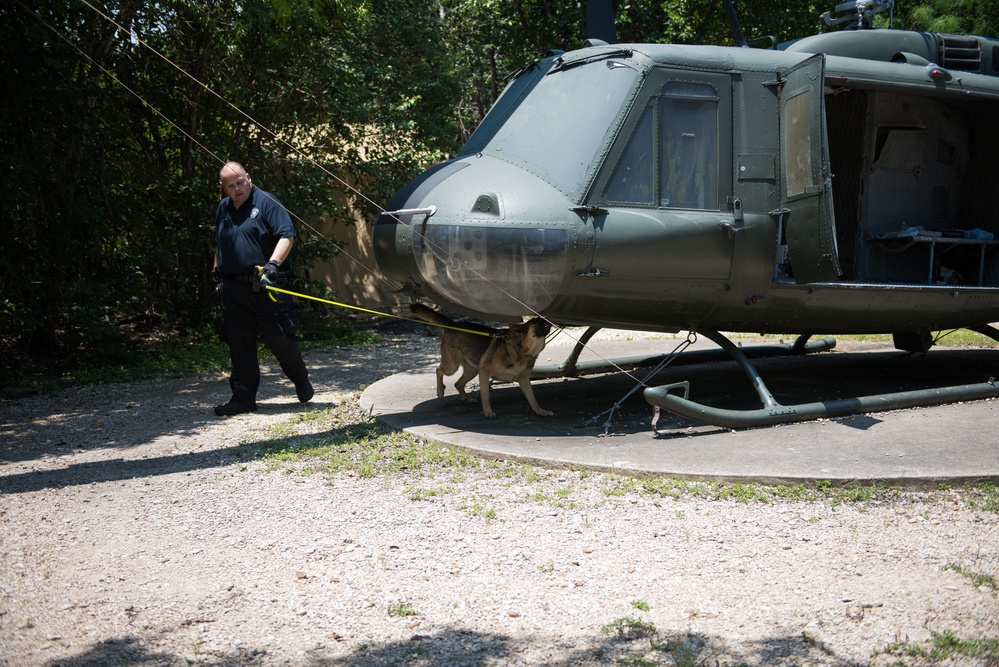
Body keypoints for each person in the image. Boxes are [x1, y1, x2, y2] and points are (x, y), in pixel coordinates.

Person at [211, 161, 313, 416]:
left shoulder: (267, 202)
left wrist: (273, 265)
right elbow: (219, 243)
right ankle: (243, 398)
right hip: (234, 288)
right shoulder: (223, 208)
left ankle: (300, 378)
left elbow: (286, 235)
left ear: (249, 177)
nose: (237, 189)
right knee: (240, 345)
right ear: (224, 188)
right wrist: (216, 271)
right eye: (230, 186)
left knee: (280, 339)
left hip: (265, 285)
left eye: (240, 182)